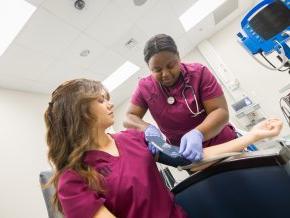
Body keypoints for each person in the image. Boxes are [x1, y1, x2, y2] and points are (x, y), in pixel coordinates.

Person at [44, 78, 282, 218]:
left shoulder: (132, 138)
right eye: (100, 100)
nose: (110, 103)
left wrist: (254, 135)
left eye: (107, 97)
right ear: (78, 112)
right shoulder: (72, 179)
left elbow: (190, 158)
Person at [124, 33, 238, 161]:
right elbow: (128, 117)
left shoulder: (199, 73)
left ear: (178, 57)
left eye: (171, 65)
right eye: (157, 70)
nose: (165, 74)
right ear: (149, 68)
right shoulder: (145, 86)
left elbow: (220, 111)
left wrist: (198, 133)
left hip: (224, 145)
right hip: (188, 157)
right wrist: (147, 129)